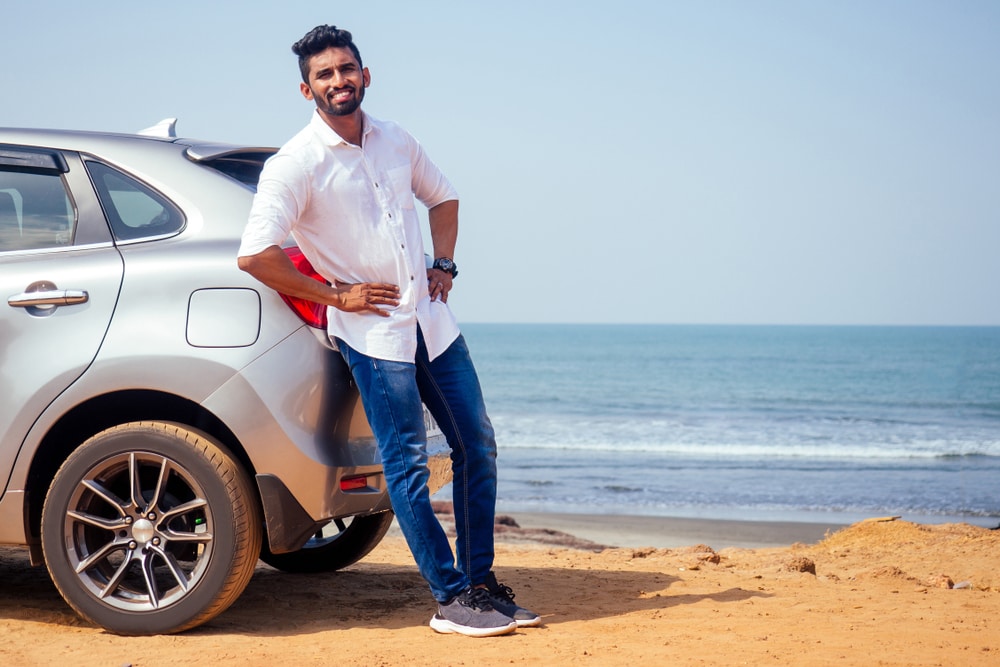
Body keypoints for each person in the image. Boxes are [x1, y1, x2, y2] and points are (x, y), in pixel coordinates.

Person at [237, 24, 540, 637]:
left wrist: (444, 264)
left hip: (431, 324)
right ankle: (450, 599)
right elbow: (255, 256)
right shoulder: (295, 164)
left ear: (365, 74)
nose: (338, 81)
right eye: (324, 74)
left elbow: (445, 198)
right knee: (405, 463)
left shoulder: (396, 140)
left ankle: (481, 585)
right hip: (373, 336)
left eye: (346, 69)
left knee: (477, 446)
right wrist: (334, 295)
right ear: (306, 90)